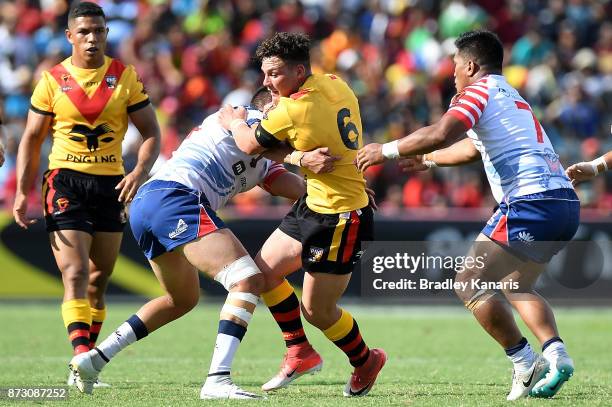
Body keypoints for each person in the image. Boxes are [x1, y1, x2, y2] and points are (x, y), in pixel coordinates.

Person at [68, 87, 339, 399]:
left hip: (153, 203)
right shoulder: (243, 119)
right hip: (175, 197)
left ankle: (94, 360)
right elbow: (255, 142)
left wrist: (340, 195)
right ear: (271, 109)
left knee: (180, 300)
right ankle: (217, 380)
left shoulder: (261, 154)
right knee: (247, 280)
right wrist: (301, 156)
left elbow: (286, 183)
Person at [356, 30, 579, 400]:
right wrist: (427, 160)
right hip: (564, 203)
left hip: (530, 199)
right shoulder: (510, 96)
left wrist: (387, 150)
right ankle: (556, 354)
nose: (452, 74)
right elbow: (470, 150)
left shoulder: (478, 91)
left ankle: (525, 362)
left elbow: (443, 132)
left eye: (455, 66)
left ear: (471, 65)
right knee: (515, 284)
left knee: (468, 280)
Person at [218, 32, 386, 398]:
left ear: (298, 71)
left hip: (340, 217)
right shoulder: (335, 83)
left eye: (274, 74)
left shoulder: (293, 109)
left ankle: (365, 361)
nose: (266, 82)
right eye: (264, 73)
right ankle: (299, 351)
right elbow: (305, 144)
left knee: (317, 311)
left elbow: (248, 144)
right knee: (260, 275)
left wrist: (232, 120)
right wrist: (299, 158)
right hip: (315, 201)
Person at [12, 1, 161, 387]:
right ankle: (81, 358)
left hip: (112, 184)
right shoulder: (51, 80)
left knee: (99, 279)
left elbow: (151, 133)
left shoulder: (125, 77)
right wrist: (21, 193)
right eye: (84, 32)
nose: (92, 38)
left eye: (98, 30)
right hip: (65, 182)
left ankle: (85, 366)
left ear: (107, 33)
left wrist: (140, 172)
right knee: (75, 273)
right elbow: (31, 139)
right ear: (69, 36)